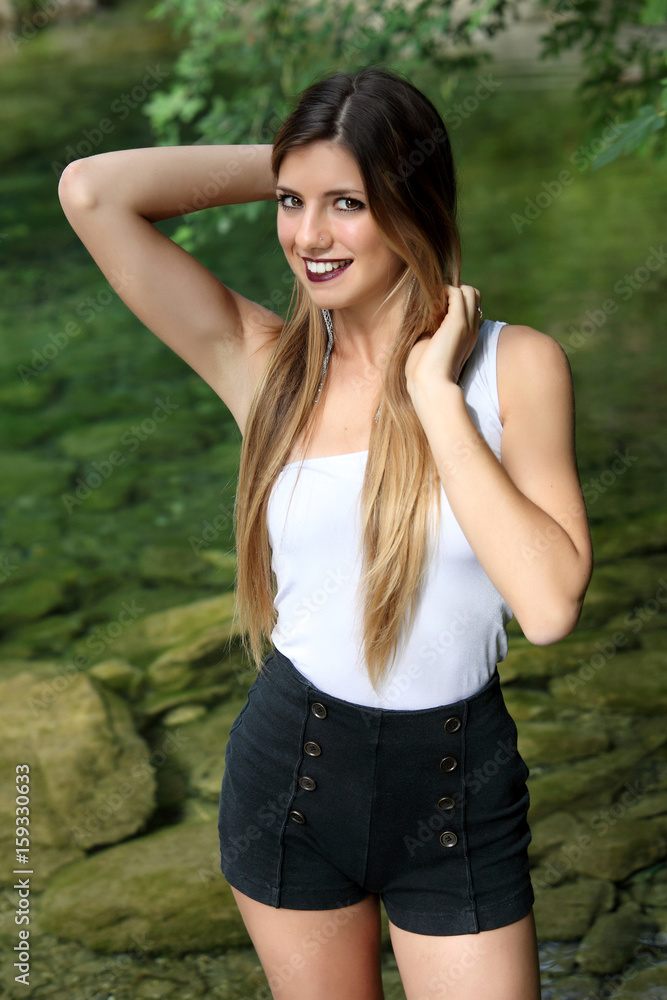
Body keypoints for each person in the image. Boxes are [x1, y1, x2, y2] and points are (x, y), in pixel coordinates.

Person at [58, 65, 593, 1000]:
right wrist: (295, 160)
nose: (308, 236)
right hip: (291, 783)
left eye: (347, 203)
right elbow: (92, 191)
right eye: (291, 202)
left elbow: (548, 608)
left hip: (456, 794)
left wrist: (436, 401)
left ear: (411, 201)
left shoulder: (516, 368)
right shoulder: (266, 364)